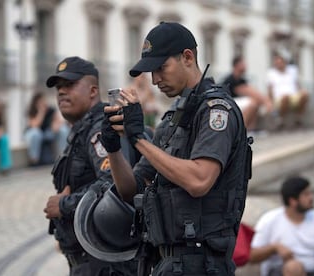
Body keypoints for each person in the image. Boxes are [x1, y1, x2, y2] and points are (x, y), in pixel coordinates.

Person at [100, 22, 252, 275]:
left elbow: (199, 179)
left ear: (187, 57)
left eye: (161, 68)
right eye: (151, 71)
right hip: (167, 261)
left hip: (203, 263)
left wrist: (138, 138)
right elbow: (130, 188)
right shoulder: (173, 117)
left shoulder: (216, 110)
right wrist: (114, 147)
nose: (155, 79)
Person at [43, 56, 137, 276]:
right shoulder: (80, 130)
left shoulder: (101, 129)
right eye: (59, 88)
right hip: (87, 258)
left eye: (70, 85)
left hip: (105, 262)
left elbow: (113, 184)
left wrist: (65, 205)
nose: (62, 92)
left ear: (93, 91)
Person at [222, 55, 273, 132]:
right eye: (243, 64)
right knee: (252, 103)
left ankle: (251, 129)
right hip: (228, 103)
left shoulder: (242, 80)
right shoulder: (231, 80)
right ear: (237, 65)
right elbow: (247, 91)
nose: (245, 66)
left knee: (255, 102)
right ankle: (241, 131)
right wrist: (266, 101)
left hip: (237, 102)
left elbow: (250, 91)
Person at [24, 91, 69, 166]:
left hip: (47, 133)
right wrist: (41, 112)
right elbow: (35, 125)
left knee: (63, 130)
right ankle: (34, 160)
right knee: (36, 133)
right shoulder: (32, 111)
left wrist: (55, 125)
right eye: (40, 101)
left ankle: (63, 156)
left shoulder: (51, 110)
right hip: (33, 135)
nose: (43, 103)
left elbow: (59, 121)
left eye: (44, 100)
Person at [267, 52, 309, 129]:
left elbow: (297, 84)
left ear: (284, 62)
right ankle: (280, 120)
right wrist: (270, 102)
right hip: (280, 98)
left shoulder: (293, 70)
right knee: (285, 98)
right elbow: (270, 89)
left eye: (280, 62)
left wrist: (301, 91)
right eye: (277, 63)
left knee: (305, 94)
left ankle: (298, 118)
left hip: (293, 96)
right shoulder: (271, 74)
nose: (279, 65)